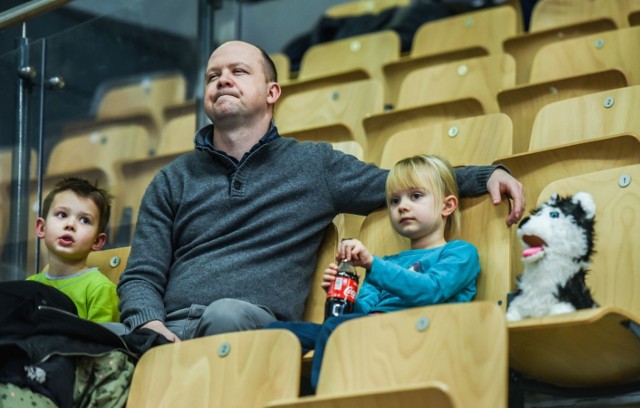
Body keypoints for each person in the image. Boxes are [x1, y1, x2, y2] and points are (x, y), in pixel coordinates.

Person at [116, 40, 524, 344]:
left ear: (272, 93)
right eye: (212, 75)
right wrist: (149, 326)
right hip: (165, 327)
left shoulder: (314, 166)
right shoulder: (172, 179)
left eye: (239, 72)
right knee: (71, 334)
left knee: (225, 316)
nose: (222, 79)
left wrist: (486, 175)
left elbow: (403, 185)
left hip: (246, 323)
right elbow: (141, 275)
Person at [267, 154, 480, 392]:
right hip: (370, 332)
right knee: (275, 334)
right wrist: (341, 295)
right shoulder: (386, 263)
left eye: (416, 196)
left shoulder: (460, 252)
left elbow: (431, 291)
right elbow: (361, 313)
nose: (403, 207)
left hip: (421, 336)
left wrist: (372, 265)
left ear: (447, 206)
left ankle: (324, 405)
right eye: (394, 201)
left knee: (335, 331)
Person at [26, 177, 119, 323]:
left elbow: (101, 343)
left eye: (84, 220)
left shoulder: (100, 289)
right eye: (62, 215)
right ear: (41, 228)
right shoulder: (29, 285)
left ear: (97, 241)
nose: (70, 225)